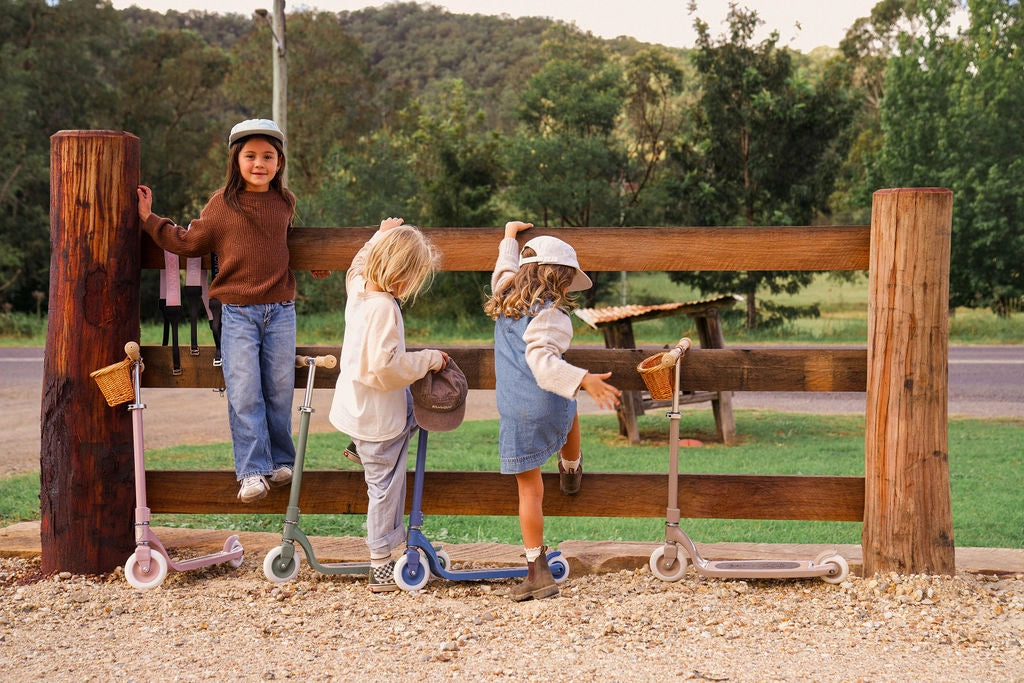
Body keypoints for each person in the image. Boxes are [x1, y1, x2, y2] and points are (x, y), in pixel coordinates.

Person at [136, 118, 329, 503]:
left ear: (279, 163)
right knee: (244, 391)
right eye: (251, 156)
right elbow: (187, 242)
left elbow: (282, 242)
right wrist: (149, 219)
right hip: (238, 313)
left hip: (281, 311)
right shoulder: (222, 205)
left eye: (268, 156)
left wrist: (314, 261)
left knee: (279, 390)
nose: (259, 163)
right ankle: (253, 471)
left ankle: (280, 461)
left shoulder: (285, 202)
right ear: (236, 160)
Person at [484, 220, 621, 601]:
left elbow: (503, 269)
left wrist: (509, 238)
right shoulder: (553, 315)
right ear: (559, 279)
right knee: (568, 404)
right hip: (548, 399)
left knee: (529, 491)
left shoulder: (504, 295)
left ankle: (537, 570)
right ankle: (571, 466)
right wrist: (583, 379)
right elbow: (543, 362)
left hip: (515, 411)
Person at [328, 216, 449, 592]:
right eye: (412, 278)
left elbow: (356, 266)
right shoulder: (384, 308)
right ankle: (380, 560)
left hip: (357, 409)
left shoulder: (360, 289)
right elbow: (383, 368)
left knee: (414, 412)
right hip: (379, 418)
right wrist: (428, 359)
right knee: (384, 487)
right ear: (401, 276)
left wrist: (377, 237)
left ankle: (358, 447)